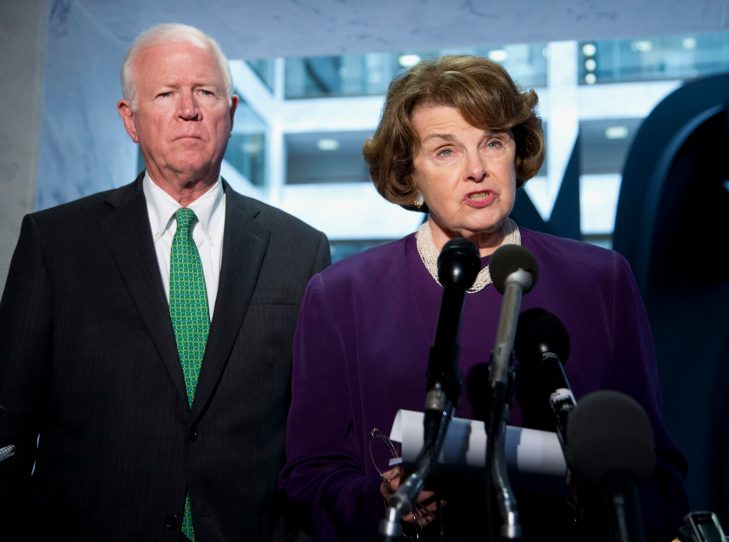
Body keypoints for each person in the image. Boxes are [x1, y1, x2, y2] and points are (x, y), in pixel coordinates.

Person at [279, 55, 689, 541]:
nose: (476, 169)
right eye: (446, 151)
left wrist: (605, 495)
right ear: (409, 171)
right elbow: (308, 479)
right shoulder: (342, 293)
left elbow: (660, 474)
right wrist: (383, 500)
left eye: (492, 142)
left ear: (516, 152)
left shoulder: (602, 280)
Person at [0, 23, 330, 541]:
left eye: (204, 92)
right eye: (165, 94)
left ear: (232, 112)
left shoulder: (301, 249)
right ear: (130, 120)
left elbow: (318, 428)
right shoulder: (55, 242)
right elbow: (8, 418)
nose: (189, 110)